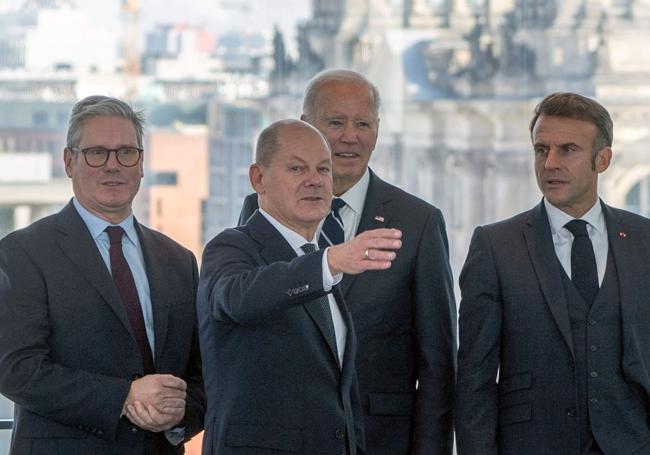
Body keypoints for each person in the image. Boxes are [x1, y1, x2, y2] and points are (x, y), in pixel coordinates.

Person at [238, 69, 456, 454]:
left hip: (381, 440)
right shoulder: (260, 212)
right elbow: (247, 317)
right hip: (284, 439)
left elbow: (437, 364)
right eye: (335, 123)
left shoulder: (417, 222)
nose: (350, 136)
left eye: (363, 124)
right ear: (306, 128)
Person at [0, 95, 205, 454]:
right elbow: (16, 369)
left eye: (126, 152)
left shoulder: (178, 260)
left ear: (141, 163)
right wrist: (122, 398)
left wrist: (181, 416)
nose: (113, 165)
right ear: (68, 161)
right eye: (97, 153)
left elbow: (204, 372)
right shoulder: (22, 252)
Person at [456, 92, 650, 454]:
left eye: (568, 150)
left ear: (602, 160)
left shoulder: (644, 240)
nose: (550, 164)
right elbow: (474, 382)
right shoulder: (496, 246)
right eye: (541, 150)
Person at [198, 119, 403, 454]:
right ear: (258, 179)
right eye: (297, 168)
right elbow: (237, 298)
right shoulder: (232, 247)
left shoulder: (320, 260)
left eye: (323, 169)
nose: (314, 181)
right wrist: (330, 262)